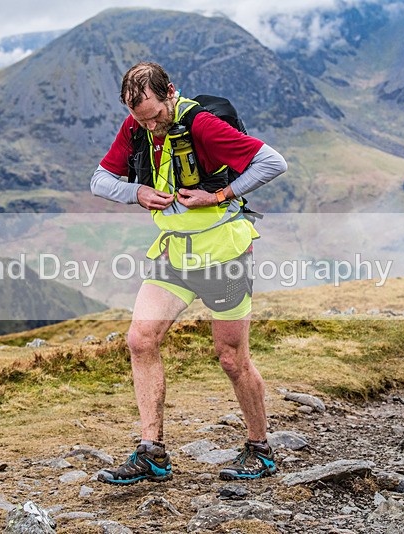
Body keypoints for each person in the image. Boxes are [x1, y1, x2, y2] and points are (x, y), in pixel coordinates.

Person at [90, 62, 288, 484]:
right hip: (174, 255)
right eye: (141, 119)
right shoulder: (136, 126)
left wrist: (217, 194)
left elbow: (273, 163)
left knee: (232, 359)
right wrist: (136, 191)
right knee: (140, 340)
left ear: (170, 94)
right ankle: (152, 452)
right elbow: (99, 181)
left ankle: (260, 449)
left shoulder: (202, 126)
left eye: (156, 116)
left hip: (224, 255)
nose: (152, 126)